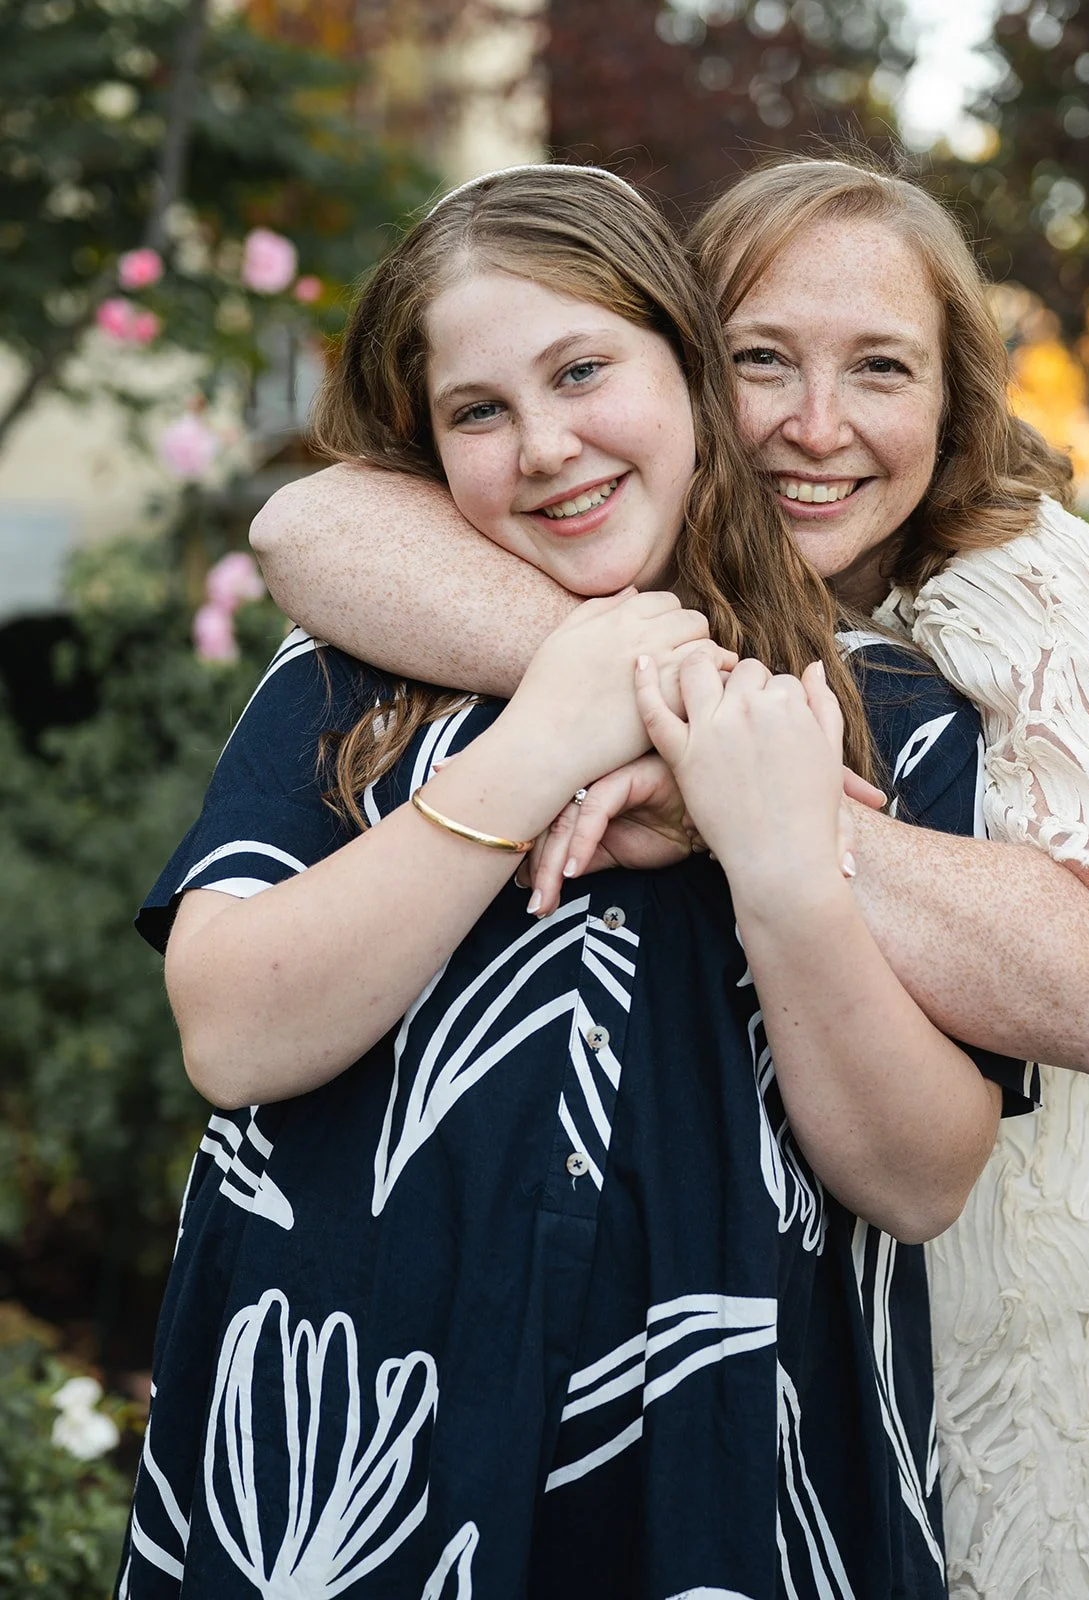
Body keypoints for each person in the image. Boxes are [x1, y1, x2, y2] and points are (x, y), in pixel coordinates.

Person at [249, 155, 1089, 1600]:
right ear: (678, 366)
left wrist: (741, 790)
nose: (818, 425)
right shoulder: (699, 589)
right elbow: (310, 527)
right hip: (817, 1305)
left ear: (955, 396)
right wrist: (660, 688)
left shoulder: (1012, 577)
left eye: (882, 369)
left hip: (1051, 1287)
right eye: (761, 362)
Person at [118, 164, 1038, 1600]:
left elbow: (920, 1180)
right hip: (346, 1450)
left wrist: (783, 862)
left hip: (719, 1452)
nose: (544, 445)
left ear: (687, 373)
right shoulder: (363, 672)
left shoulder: (886, 717)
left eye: (584, 369)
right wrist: (552, 726)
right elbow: (232, 1033)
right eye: (477, 412)